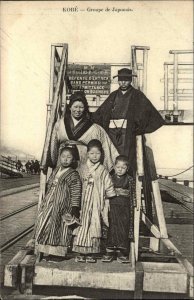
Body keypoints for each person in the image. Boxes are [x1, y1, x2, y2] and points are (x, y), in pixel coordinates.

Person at [93, 68, 165, 175]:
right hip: (112, 134)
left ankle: (128, 183)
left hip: (128, 134)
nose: (123, 82)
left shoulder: (137, 95)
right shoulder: (113, 95)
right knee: (112, 157)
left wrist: (140, 128)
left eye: (126, 80)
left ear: (130, 80)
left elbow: (150, 113)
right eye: (121, 80)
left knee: (128, 159)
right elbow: (100, 113)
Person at [49, 91, 118, 174]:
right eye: (75, 107)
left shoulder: (94, 128)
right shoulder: (60, 124)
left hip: (84, 163)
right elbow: (53, 145)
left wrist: (112, 164)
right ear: (70, 107)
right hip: (64, 162)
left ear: (85, 108)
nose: (78, 110)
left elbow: (105, 146)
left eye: (81, 107)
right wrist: (52, 161)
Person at [34, 145, 82, 262]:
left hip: (63, 206)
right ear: (60, 157)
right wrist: (44, 198)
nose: (65, 159)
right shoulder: (56, 170)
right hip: (50, 203)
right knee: (45, 224)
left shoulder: (73, 174)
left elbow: (76, 192)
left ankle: (58, 254)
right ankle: (47, 251)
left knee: (60, 228)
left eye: (69, 157)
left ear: (73, 160)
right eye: (63, 156)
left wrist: (75, 207)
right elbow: (49, 184)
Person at [72, 139, 116, 263]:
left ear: (101, 154)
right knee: (81, 225)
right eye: (92, 153)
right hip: (83, 202)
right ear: (87, 154)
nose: (95, 156)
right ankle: (80, 252)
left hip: (96, 202)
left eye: (97, 154)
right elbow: (76, 183)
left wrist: (109, 197)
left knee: (94, 225)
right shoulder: (82, 168)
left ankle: (92, 253)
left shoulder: (103, 170)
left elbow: (108, 185)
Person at [102, 155, 136, 264]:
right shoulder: (110, 178)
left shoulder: (130, 179)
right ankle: (109, 252)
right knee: (111, 227)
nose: (120, 169)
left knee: (123, 228)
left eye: (123, 167)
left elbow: (133, 194)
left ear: (127, 168)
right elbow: (105, 192)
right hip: (113, 205)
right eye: (118, 167)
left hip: (125, 207)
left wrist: (135, 206)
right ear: (114, 167)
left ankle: (121, 253)